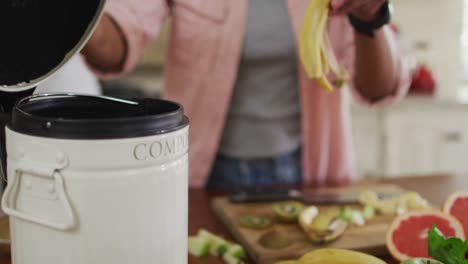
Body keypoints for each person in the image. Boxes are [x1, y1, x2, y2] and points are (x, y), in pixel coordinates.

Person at [82, 0, 411, 189]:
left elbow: (380, 88)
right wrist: (67, 13)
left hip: (311, 176)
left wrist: (371, 18)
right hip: (202, 177)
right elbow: (116, 40)